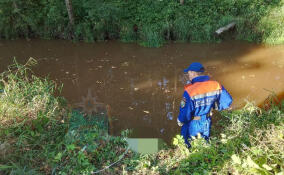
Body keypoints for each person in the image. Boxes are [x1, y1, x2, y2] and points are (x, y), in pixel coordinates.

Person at [177, 62, 232, 147]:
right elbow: (227, 101)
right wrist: (213, 106)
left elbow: (185, 112)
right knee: (204, 144)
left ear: (193, 73)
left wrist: (180, 120)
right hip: (207, 121)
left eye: (189, 73)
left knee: (189, 144)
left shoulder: (190, 91)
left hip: (193, 123)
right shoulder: (216, 85)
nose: (188, 75)